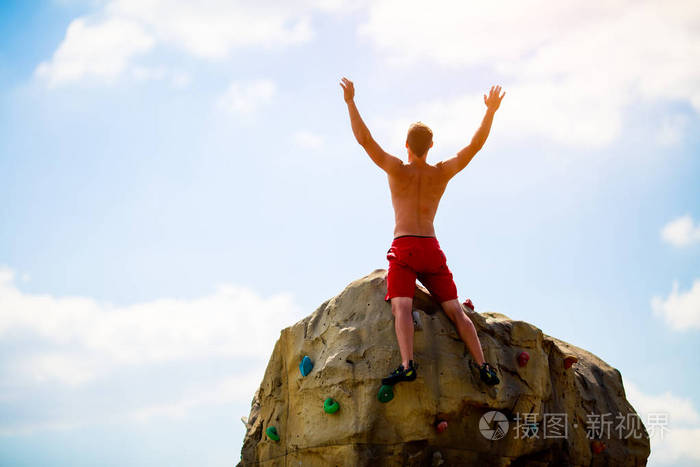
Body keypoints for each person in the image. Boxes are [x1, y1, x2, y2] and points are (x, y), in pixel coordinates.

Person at [340, 77, 505, 387]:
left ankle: (408, 364)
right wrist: (490, 111)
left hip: (404, 248)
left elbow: (364, 139)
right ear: (431, 147)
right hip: (431, 248)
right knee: (456, 311)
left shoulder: (396, 169)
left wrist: (350, 101)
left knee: (402, 306)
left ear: (406, 146)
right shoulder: (441, 172)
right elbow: (474, 147)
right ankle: (483, 366)